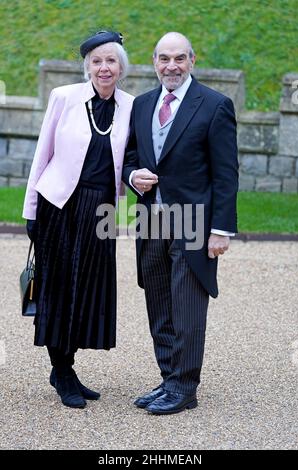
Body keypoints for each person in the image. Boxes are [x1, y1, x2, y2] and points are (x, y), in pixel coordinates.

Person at [122, 32, 239, 415]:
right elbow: (130, 157)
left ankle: (185, 388)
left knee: (187, 307)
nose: (171, 66)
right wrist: (132, 176)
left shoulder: (215, 105)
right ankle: (169, 378)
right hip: (151, 221)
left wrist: (221, 229)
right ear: (154, 61)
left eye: (179, 58)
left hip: (194, 223)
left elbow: (226, 174)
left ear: (192, 60)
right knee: (158, 302)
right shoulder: (141, 105)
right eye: (164, 59)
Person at [22, 31, 134, 409]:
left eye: (111, 61)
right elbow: (43, 154)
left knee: (86, 291)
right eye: (97, 61)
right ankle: (62, 372)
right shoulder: (65, 97)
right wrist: (31, 211)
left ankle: (65, 367)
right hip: (59, 206)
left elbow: (131, 158)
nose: (104, 68)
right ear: (87, 66)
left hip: (100, 211)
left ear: (122, 67)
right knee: (58, 290)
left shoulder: (131, 106)